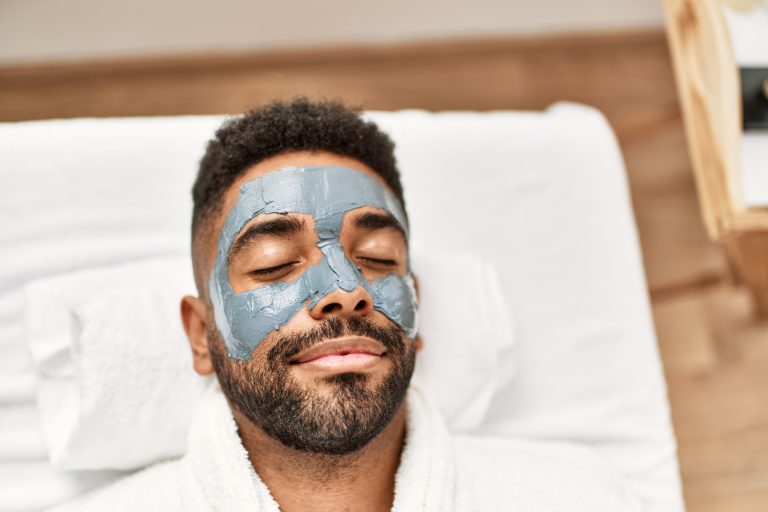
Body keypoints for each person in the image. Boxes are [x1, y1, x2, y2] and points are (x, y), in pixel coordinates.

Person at [49, 98, 641, 512]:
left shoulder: (582, 498)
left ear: (417, 308)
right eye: (276, 264)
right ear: (202, 335)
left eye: (379, 257)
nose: (345, 288)